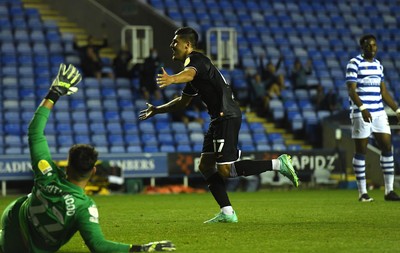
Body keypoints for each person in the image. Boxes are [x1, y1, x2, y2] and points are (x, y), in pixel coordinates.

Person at [0, 63, 175, 252]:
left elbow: (35, 131)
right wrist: (143, 248)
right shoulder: (84, 207)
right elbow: (98, 246)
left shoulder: (47, 174)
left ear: (67, 166)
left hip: (13, 221)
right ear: (93, 171)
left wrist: (55, 92)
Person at [139, 27, 299, 223]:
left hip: (227, 116)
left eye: (175, 42)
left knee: (227, 170)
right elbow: (182, 102)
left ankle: (278, 164)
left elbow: (188, 73)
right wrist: (157, 109)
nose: (172, 45)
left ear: (187, 45)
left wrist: (172, 79)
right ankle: (227, 212)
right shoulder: (198, 73)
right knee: (206, 165)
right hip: (218, 119)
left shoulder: (196, 61)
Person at [345, 34, 400, 202]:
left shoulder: (378, 65)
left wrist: (397, 110)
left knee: (387, 147)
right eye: (368, 46)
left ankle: (389, 191)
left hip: (379, 113)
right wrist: (362, 108)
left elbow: (383, 92)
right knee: (361, 151)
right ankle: (362, 193)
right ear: (362, 47)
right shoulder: (354, 63)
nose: (372, 48)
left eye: (374, 45)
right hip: (361, 113)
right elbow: (351, 90)